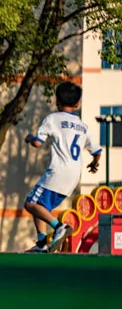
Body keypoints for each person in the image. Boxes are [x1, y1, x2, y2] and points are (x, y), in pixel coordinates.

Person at [24, 81, 101, 253]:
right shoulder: (82, 126)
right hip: (74, 175)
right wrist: (94, 164)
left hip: (58, 171)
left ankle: (60, 227)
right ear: (77, 104)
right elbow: (96, 151)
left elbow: (37, 143)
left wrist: (29, 138)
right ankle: (42, 243)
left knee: (30, 203)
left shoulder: (52, 119)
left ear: (57, 101)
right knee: (41, 207)